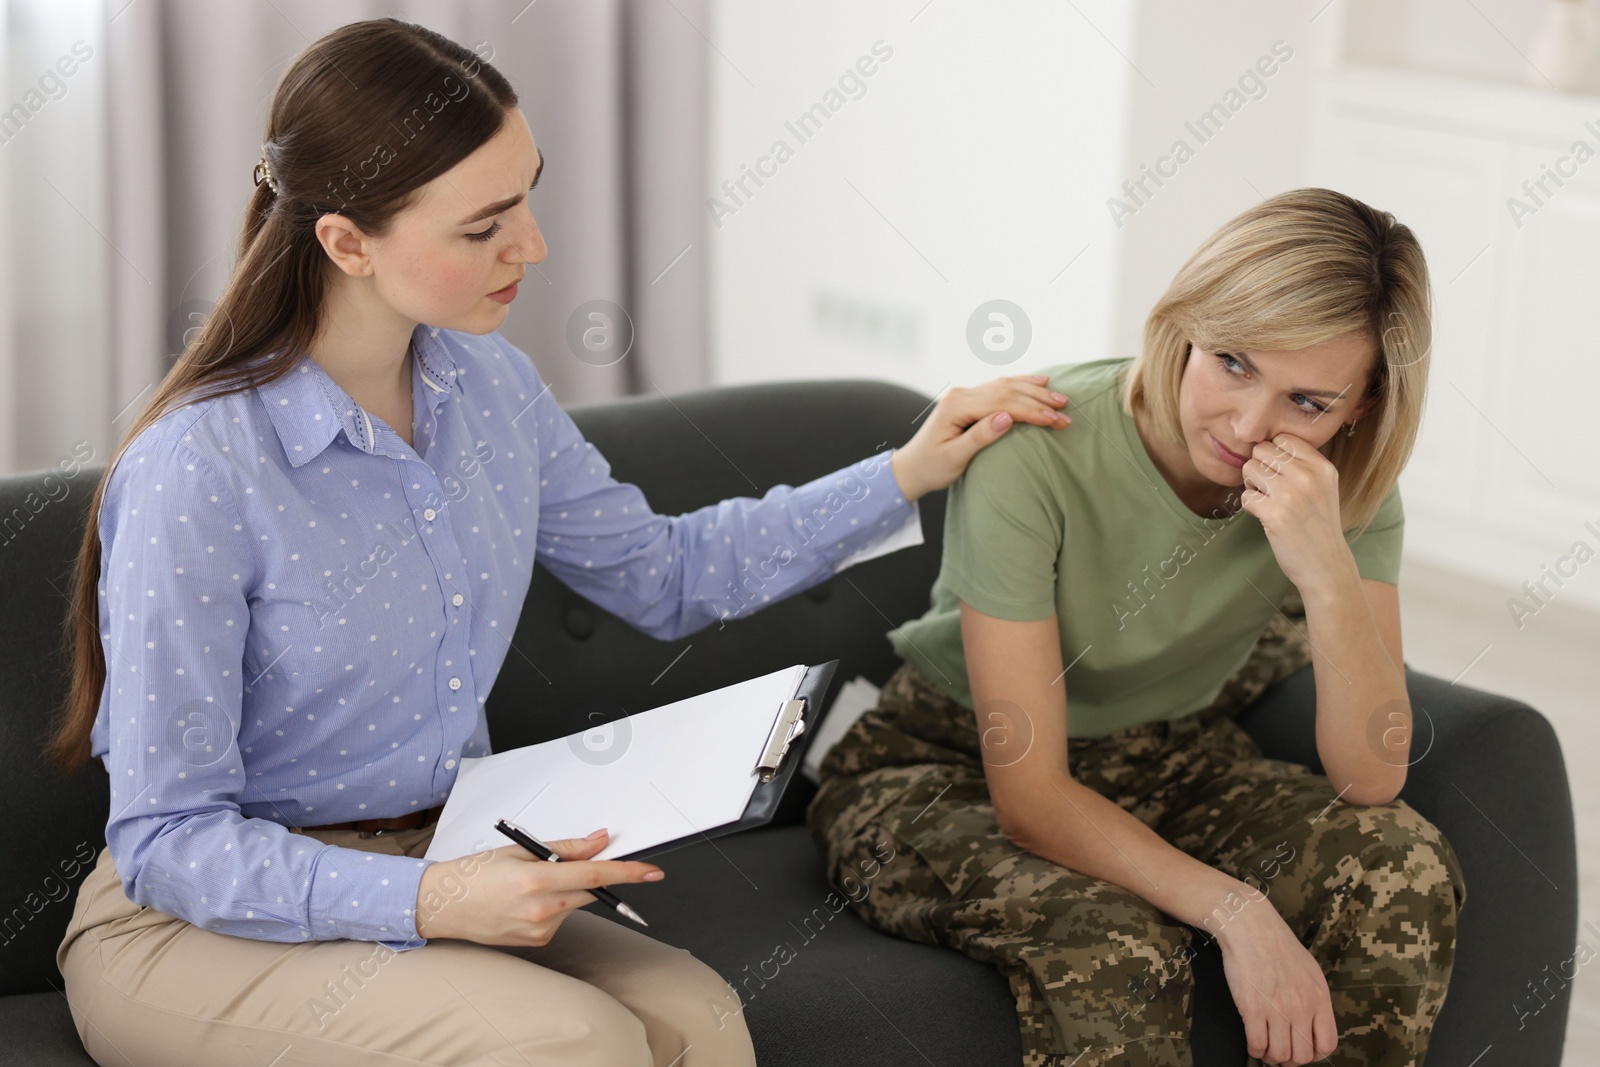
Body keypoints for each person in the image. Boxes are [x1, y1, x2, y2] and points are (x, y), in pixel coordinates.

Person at [42, 18, 1075, 1067]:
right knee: (571, 1040)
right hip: (195, 922)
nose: (532, 245)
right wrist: (436, 896)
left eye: (527, 195)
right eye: (484, 224)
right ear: (347, 243)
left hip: (445, 849)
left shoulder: (489, 390)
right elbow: (170, 841)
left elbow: (665, 574)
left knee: (703, 1018)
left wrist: (904, 470)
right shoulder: (201, 466)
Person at [807, 188, 1468, 1067]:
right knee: (1120, 948)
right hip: (946, 763)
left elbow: (1373, 776)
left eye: (1306, 402)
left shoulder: (1343, 493)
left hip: (1167, 751)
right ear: (1188, 324)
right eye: (1232, 361)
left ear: (1358, 407)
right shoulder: (1032, 451)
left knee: (1404, 868)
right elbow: (1032, 797)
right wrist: (1236, 908)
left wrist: (1328, 573)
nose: (1248, 426)